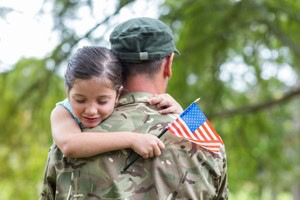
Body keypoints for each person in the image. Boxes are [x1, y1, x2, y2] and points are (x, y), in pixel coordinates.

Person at [40, 17, 228, 199]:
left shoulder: (77, 133)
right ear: (168, 64)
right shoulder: (204, 138)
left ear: (115, 66)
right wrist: (181, 117)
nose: (91, 110)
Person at [50, 46, 183, 159]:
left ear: (118, 94)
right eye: (80, 100)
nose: (91, 110)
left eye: (102, 101)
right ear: (68, 92)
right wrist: (132, 139)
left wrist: (180, 112)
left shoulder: (131, 102)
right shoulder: (62, 111)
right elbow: (69, 145)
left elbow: (202, 143)